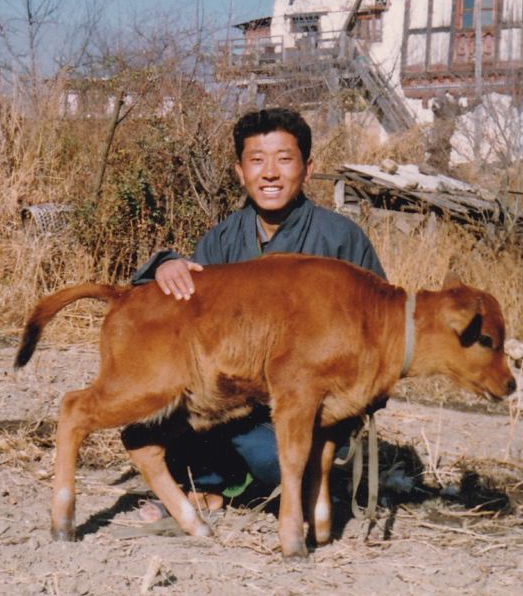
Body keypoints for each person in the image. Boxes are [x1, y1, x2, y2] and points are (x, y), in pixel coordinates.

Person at [131, 107, 386, 517]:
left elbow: (383, 335)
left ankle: (244, 488)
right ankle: (207, 487)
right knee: (161, 407)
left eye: (284, 159)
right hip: (232, 402)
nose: (270, 173)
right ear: (239, 171)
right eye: (257, 160)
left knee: (272, 456)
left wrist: (345, 407)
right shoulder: (224, 238)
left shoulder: (341, 240)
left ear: (307, 168)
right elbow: (184, 318)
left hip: (307, 410)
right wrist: (164, 266)